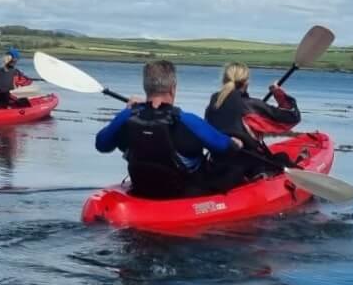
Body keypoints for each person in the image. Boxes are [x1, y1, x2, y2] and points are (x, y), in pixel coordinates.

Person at [95, 60, 244, 199]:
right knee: (234, 167)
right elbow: (226, 147)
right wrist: (236, 142)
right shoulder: (188, 120)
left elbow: (101, 145)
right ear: (173, 88)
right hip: (182, 195)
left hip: (142, 189)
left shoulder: (127, 116)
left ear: (145, 87)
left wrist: (128, 110)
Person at [204, 63, 301, 184]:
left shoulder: (212, 106)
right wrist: (277, 92)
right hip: (247, 169)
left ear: (224, 80)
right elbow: (292, 117)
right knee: (282, 158)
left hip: (216, 166)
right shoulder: (251, 106)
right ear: (246, 82)